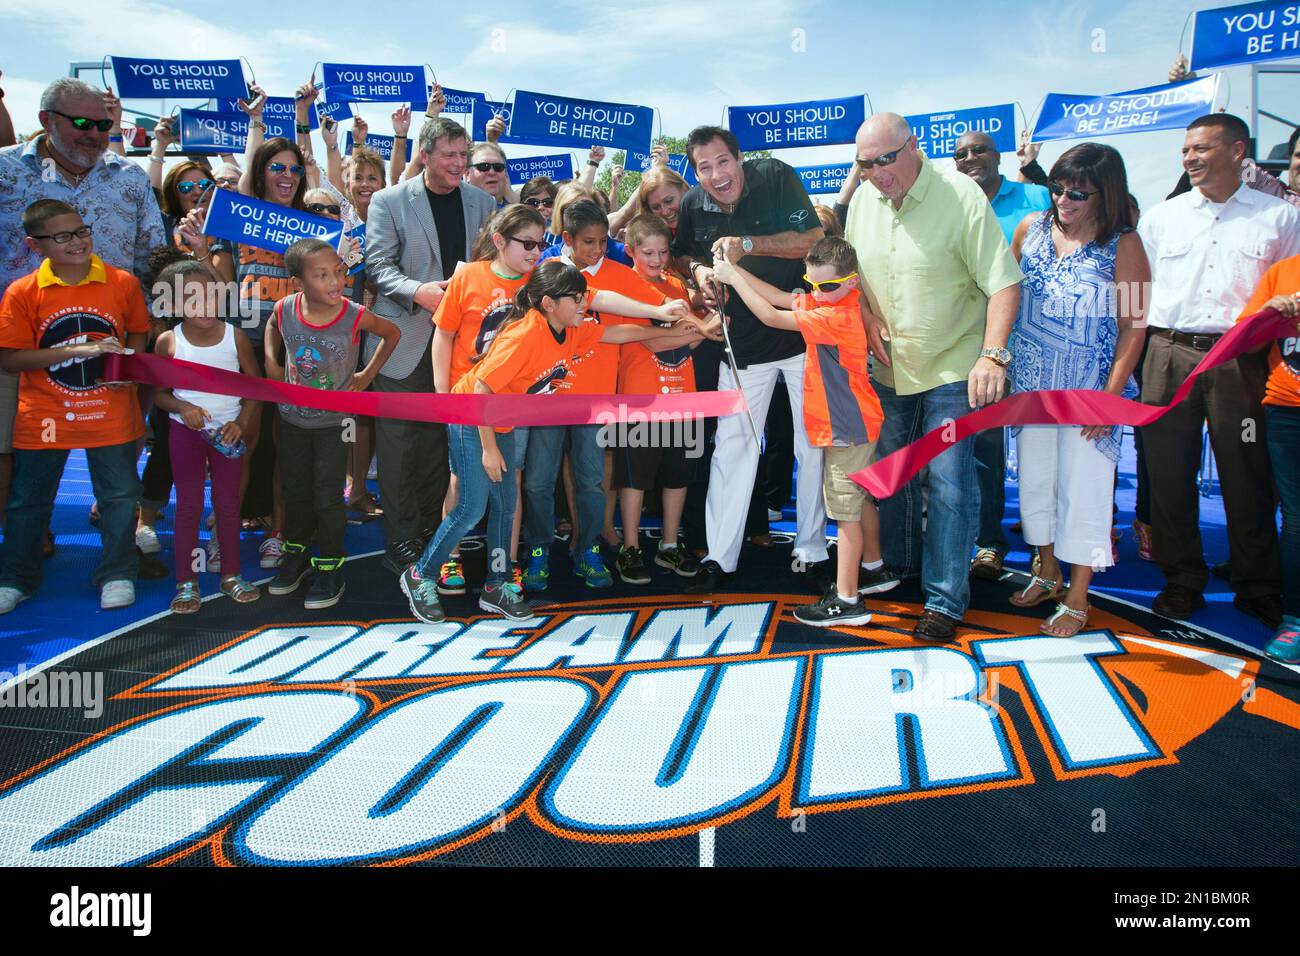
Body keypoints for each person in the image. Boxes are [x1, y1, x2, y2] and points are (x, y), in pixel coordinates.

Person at [401, 260, 709, 624]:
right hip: (473, 421)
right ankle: (420, 574)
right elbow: (481, 388)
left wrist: (692, 332)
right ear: (548, 303)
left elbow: (624, 334)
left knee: (505, 507)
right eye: (577, 299)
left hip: (503, 423)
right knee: (471, 507)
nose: (585, 305)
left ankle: (497, 584)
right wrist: (488, 449)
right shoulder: (524, 335)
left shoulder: (569, 327)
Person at [843, 113, 1022, 643]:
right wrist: (868, 316)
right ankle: (899, 568)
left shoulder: (962, 197)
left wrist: (992, 356)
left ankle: (945, 597)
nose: (877, 172)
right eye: (865, 163)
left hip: (952, 368)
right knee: (892, 473)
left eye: (886, 159)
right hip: (888, 370)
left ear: (914, 146)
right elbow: (851, 278)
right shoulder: (860, 205)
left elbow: (1004, 282)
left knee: (948, 481)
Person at [1137, 113, 1300, 628]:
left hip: (1242, 360)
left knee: (1247, 472)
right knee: (1168, 472)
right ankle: (1181, 578)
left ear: (1238, 151)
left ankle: (1257, 584)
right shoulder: (1161, 219)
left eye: (1202, 148)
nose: (1190, 158)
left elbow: (1288, 293)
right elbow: (1137, 294)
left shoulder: (1279, 218)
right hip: (1166, 355)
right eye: (1186, 150)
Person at [0, 78, 165, 542]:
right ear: (45, 120)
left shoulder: (129, 177)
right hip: (21, 343)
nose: (94, 133)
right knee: (10, 452)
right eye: (81, 123)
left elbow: (153, 256)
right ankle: (26, 544)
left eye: (102, 124)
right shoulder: (5, 172)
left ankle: (116, 537)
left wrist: (145, 337)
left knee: (117, 449)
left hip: (112, 346)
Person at [670, 125, 830, 595]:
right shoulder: (692, 204)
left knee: (812, 446)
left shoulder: (777, 176)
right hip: (741, 345)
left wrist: (748, 245)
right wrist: (699, 271)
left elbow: (814, 238)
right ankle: (721, 556)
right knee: (733, 449)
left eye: (723, 162)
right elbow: (681, 257)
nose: (717, 175)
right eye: (704, 167)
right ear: (695, 172)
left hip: (801, 338)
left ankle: (812, 552)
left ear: (740, 159)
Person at [713, 236, 898, 625]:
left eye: (826, 286)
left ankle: (847, 600)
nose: (817, 293)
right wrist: (736, 273)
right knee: (859, 499)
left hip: (846, 427)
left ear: (853, 282)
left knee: (845, 510)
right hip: (854, 423)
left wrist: (732, 275)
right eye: (811, 284)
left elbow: (770, 315)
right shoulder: (833, 299)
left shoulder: (835, 315)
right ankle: (874, 568)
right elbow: (781, 295)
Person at [1006, 144, 1150, 636]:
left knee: (1084, 490)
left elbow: (1134, 326)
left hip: (1090, 391)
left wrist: (1109, 398)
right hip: (1030, 386)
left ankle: (1078, 593)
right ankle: (1045, 570)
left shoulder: (1124, 245)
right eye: (1058, 189)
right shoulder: (1030, 230)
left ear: (1105, 194)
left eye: (1078, 193)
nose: (1064, 200)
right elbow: (1004, 296)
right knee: (1036, 483)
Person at [519, 200, 696, 591]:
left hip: (598, 396)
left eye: (603, 242)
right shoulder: (549, 272)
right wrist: (661, 311)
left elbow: (635, 315)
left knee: (592, 479)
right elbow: (599, 300)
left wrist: (676, 317)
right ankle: (537, 552)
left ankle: (588, 549)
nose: (596, 250)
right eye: (587, 243)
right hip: (548, 397)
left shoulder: (619, 273)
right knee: (538, 481)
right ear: (567, 239)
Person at [0, 200, 149, 613]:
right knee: (28, 501)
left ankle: (118, 571)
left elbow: (138, 333)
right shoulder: (23, 292)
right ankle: (16, 577)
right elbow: (9, 358)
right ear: (35, 244)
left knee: (119, 498)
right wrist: (81, 349)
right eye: (62, 236)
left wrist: (126, 364)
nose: (78, 241)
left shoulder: (121, 283)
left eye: (81, 231)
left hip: (111, 413)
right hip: (44, 415)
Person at [364, 116, 496, 575]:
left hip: (464, 349)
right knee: (401, 450)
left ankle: (434, 535)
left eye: (464, 156)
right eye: (450, 156)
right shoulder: (388, 201)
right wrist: (418, 290)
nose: (460, 164)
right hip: (407, 340)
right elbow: (377, 267)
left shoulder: (483, 201)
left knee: (447, 448)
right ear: (425, 156)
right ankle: (401, 540)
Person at [263, 238, 400, 608]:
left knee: (327, 495)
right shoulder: (286, 307)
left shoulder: (353, 313)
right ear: (298, 282)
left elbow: (392, 333)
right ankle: (296, 554)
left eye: (338, 272)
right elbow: (273, 324)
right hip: (291, 419)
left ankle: (330, 563)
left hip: (336, 424)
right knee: (295, 490)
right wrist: (271, 363)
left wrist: (367, 373)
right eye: (322, 275)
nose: (335, 282)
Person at [432, 203, 547, 594]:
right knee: (462, 484)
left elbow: (592, 299)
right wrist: (441, 394)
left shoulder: (539, 284)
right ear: (499, 241)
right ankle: (448, 558)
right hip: (466, 401)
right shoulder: (469, 277)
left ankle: (506, 564)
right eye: (527, 243)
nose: (535, 251)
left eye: (541, 243)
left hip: (512, 405)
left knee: (508, 482)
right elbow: (444, 334)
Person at [953, 130, 1052, 582]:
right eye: (961, 154)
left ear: (998, 157)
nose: (970, 158)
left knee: (1043, 452)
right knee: (984, 454)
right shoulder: (953, 203)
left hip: (1039, 346)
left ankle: (1046, 549)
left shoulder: (1036, 195)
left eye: (979, 150)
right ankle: (988, 542)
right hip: (979, 348)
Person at [149, 258, 262, 612]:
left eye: (211, 295)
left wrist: (241, 423)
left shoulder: (236, 337)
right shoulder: (169, 342)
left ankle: (230, 575)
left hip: (230, 437)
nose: (205, 305)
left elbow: (255, 388)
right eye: (192, 299)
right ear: (172, 305)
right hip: (185, 436)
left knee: (228, 507)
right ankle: (187, 581)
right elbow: (159, 394)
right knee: (188, 507)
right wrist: (183, 409)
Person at [613, 214, 709, 582]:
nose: (656, 260)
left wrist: (704, 331)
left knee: (677, 475)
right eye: (648, 253)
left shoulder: (676, 285)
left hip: (682, 395)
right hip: (638, 399)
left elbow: (690, 337)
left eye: (663, 252)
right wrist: (700, 330)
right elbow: (647, 339)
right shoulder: (622, 287)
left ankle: (670, 546)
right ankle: (631, 546)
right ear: (630, 251)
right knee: (635, 478)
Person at [1236, 261, 1300, 661]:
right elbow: (1247, 340)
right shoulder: (1285, 271)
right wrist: (1270, 313)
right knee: (1296, 519)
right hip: (1287, 411)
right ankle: (1295, 617)